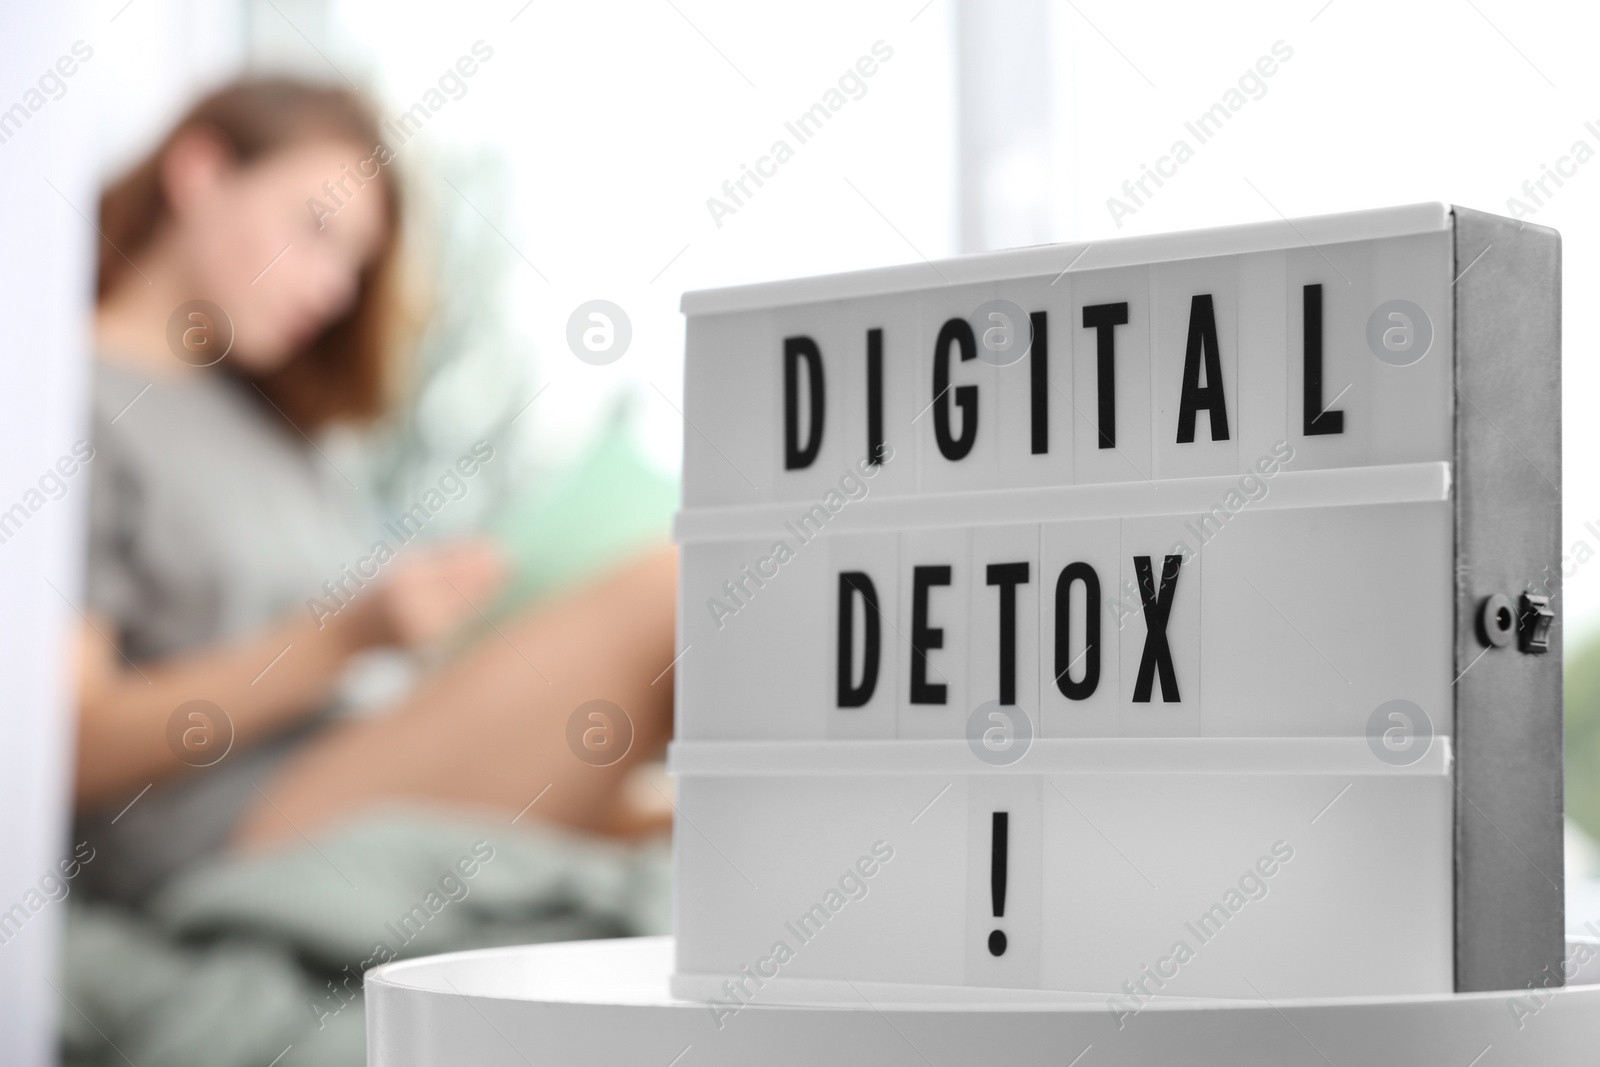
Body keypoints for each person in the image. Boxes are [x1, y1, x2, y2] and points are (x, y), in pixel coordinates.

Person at [76, 78, 676, 903]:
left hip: (357, 751)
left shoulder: (276, 425)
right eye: (316, 230)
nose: (334, 290)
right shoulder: (73, 400)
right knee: (677, 591)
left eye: (356, 264)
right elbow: (69, 742)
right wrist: (343, 639)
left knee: (692, 820)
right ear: (201, 173)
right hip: (222, 824)